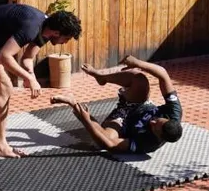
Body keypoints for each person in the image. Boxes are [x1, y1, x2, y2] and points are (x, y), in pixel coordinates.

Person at [0, 3, 82, 158]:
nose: (65, 43)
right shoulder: (31, 27)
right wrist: (27, 77)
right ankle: (0, 146)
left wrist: (31, 76)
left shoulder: (45, 31)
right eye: (66, 38)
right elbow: (4, 56)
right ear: (56, 32)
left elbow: (27, 58)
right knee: (5, 86)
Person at [51, 55, 183, 154]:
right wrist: (138, 63)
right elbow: (163, 75)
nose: (152, 122)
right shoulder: (174, 112)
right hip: (139, 104)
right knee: (140, 79)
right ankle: (101, 77)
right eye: (157, 120)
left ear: (159, 136)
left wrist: (86, 120)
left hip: (123, 122)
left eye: (154, 127)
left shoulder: (149, 144)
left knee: (103, 142)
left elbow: (111, 144)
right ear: (168, 118)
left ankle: (74, 103)